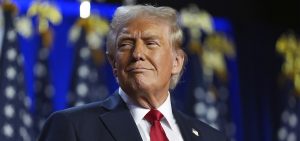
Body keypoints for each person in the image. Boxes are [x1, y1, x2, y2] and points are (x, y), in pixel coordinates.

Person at [38, 5, 228, 141]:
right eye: (126, 44)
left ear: (176, 62)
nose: (137, 54)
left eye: (151, 43)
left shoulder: (212, 137)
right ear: (114, 63)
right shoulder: (72, 127)